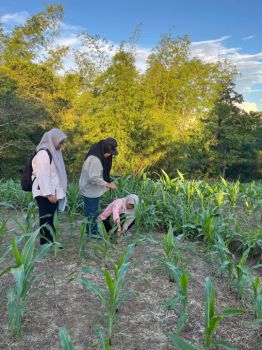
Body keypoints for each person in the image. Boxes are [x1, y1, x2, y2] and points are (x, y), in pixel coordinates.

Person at [32, 128, 67, 245]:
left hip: (53, 192)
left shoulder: (53, 152)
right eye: (60, 142)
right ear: (53, 140)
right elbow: (43, 176)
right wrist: (49, 194)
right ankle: (45, 243)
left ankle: (50, 241)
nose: (61, 145)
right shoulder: (43, 154)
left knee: (51, 219)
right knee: (45, 219)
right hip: (44, 194)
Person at [79, 138, 118, 236]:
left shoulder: (99, 155)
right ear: (103, 150)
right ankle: (92, 233)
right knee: (92, 213)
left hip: (93, 190)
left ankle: (89, 231)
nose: (109, 155)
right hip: (89, 190)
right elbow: (94, 178)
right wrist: (108, 184)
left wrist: (107, 181)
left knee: (92, 211)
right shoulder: (95, 159)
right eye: (108, 153)